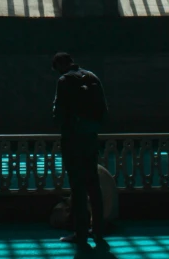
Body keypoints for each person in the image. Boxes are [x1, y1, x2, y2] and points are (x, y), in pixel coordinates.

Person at [52, 51, 108, 249]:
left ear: (60, 65)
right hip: (90, 138)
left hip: (73, 140)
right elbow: (104, 110)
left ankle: (81, 232)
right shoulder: (92, 77)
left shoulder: (64, 80)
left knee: (78, 187)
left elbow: (58, 112)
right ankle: (98, 229)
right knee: (93, 185)